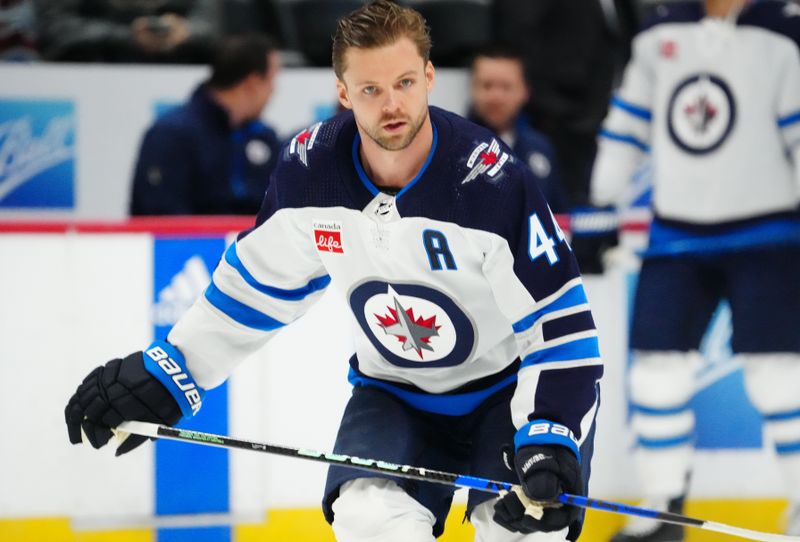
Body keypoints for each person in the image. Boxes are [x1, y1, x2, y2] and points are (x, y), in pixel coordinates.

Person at [66, 2, 604, 541]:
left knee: (524, 532)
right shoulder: (310, 173)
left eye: (405, 82)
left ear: (430, 78)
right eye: (370, 89)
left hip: (506, 397)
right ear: (343, 93)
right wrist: (172, 370)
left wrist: (553, 432)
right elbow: (256, 287)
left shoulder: (490, 181)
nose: (391, 104)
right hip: (395, 395)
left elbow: (560, 326)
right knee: (369, 519)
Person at [590, 0, 800, 540]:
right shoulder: (662, 28)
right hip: (676, 235)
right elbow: (632, 112)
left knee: (781, 380)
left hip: (767, 235)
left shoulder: (783, 30)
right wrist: (607, 182)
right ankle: (663, 508)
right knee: (656, 375)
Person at [130, 34, 281, 215]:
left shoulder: (264, 137)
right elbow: (158, 214)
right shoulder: (171, 135)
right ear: (252, 83)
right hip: (190, 242)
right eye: (272, 80)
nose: (273, 90)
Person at [467, 46, 569, 214]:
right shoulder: (451, 145)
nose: (496, 97)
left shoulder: (541, 147)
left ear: (525, 91)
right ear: (472, 89)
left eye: (506, 87)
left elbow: (559, 216)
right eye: (486, 86)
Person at [33, 0, 218, 63]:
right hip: (90, 78)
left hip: (175, 79)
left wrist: (184, 32)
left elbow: (216, 29)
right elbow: (55, 28)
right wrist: (128, 36)